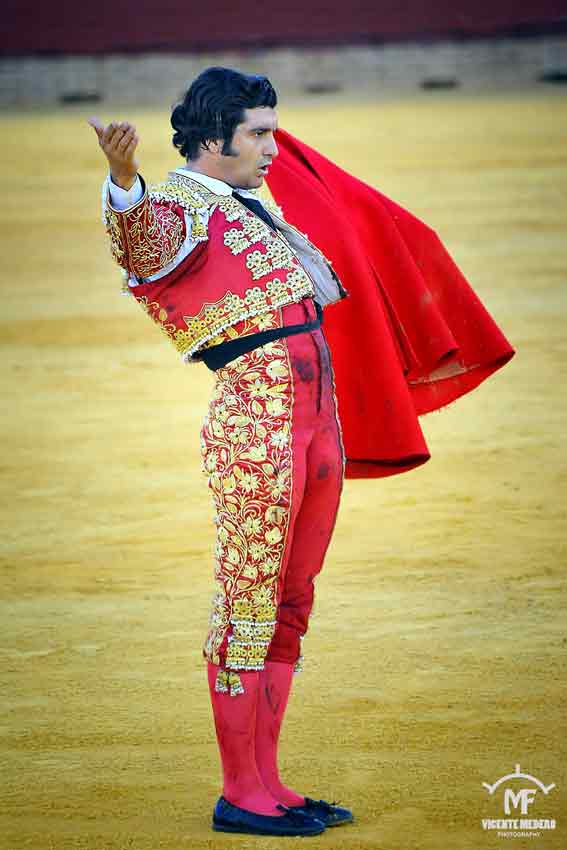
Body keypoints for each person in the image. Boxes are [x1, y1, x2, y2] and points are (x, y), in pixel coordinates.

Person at [89, 66, 354, 837]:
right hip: (256, 427)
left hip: (313, 415)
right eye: (259, 133)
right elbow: (140, 245)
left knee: (291, 602)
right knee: (247, 602)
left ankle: (270, 781)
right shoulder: (173, 202)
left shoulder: (247, 206)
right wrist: (122, 176)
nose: (273, 146)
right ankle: (240, 792)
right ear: (214, 139)